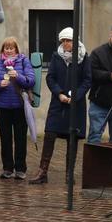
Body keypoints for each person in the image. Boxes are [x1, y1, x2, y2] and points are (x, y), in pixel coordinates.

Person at [29, 28, 90, 184]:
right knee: (50, 134)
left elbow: (87, 80)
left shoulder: (84, 58)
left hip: (76, 104)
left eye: (68, 41)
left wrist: (76, 95)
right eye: (63, 41)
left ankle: (69, 174)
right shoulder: (56, 57)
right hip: (58, 102)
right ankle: (42, 172)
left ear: (74, 41)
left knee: (73, 138)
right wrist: (59, 93)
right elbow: (50, 78)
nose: (65, 44)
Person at [0, 37, 35, 179]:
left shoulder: (23, 61)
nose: (8, 50)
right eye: (6, 48)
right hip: (2, 106)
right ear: (3, 50)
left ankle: (20, 169)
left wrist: (18, 76)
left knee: (20, 138)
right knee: (5, 138)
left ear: (16, 49)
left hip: (20, 106)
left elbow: (31, 80)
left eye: (11, 48)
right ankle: (7, 168)